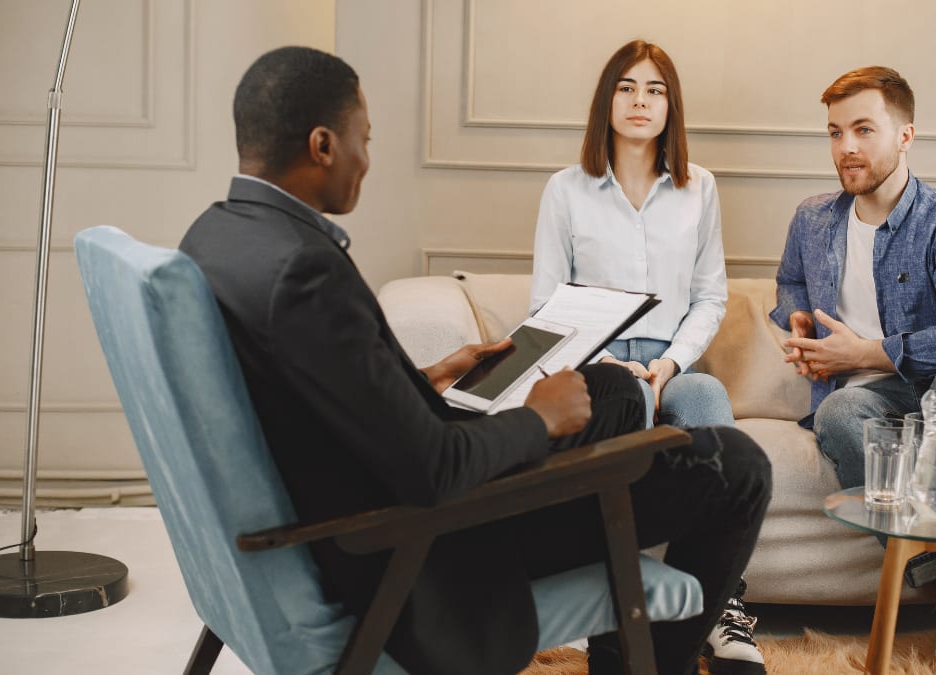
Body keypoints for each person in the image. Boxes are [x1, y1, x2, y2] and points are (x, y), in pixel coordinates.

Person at [179, 45, 771, 675]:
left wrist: (423, 378)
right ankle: (639, 661)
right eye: (364, 140)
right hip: (424, 552)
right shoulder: (305, 271)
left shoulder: (219, 238)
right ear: (323, 144)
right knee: (737, 466)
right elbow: (432, 470)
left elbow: (333, 398)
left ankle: (618, 648)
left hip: (372, 511)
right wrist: (538, 419)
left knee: (614, 393)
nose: (367, 159)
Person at [770, 66, 936, 675]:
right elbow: (787, 284)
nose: (847, 148)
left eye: (864, 129)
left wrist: (865, 351)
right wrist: (800, 319)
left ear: (906, 134)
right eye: (835, 132)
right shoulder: (813, 219)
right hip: (873, 401)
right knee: (837, 412)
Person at [529, 39, 763, 675]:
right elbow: (547, 305)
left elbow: (711, 297)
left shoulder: (700, 188)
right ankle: (606, 603)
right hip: (594, 365)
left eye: (655, 90)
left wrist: (669, 365)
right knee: (623, 402)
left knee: (709, 407)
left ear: (671, 106)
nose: (640, 101)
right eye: (627, 87)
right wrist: (615, 367)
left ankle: (721, 608)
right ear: (607, 99)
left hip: (673, 362)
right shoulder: (565, 190)